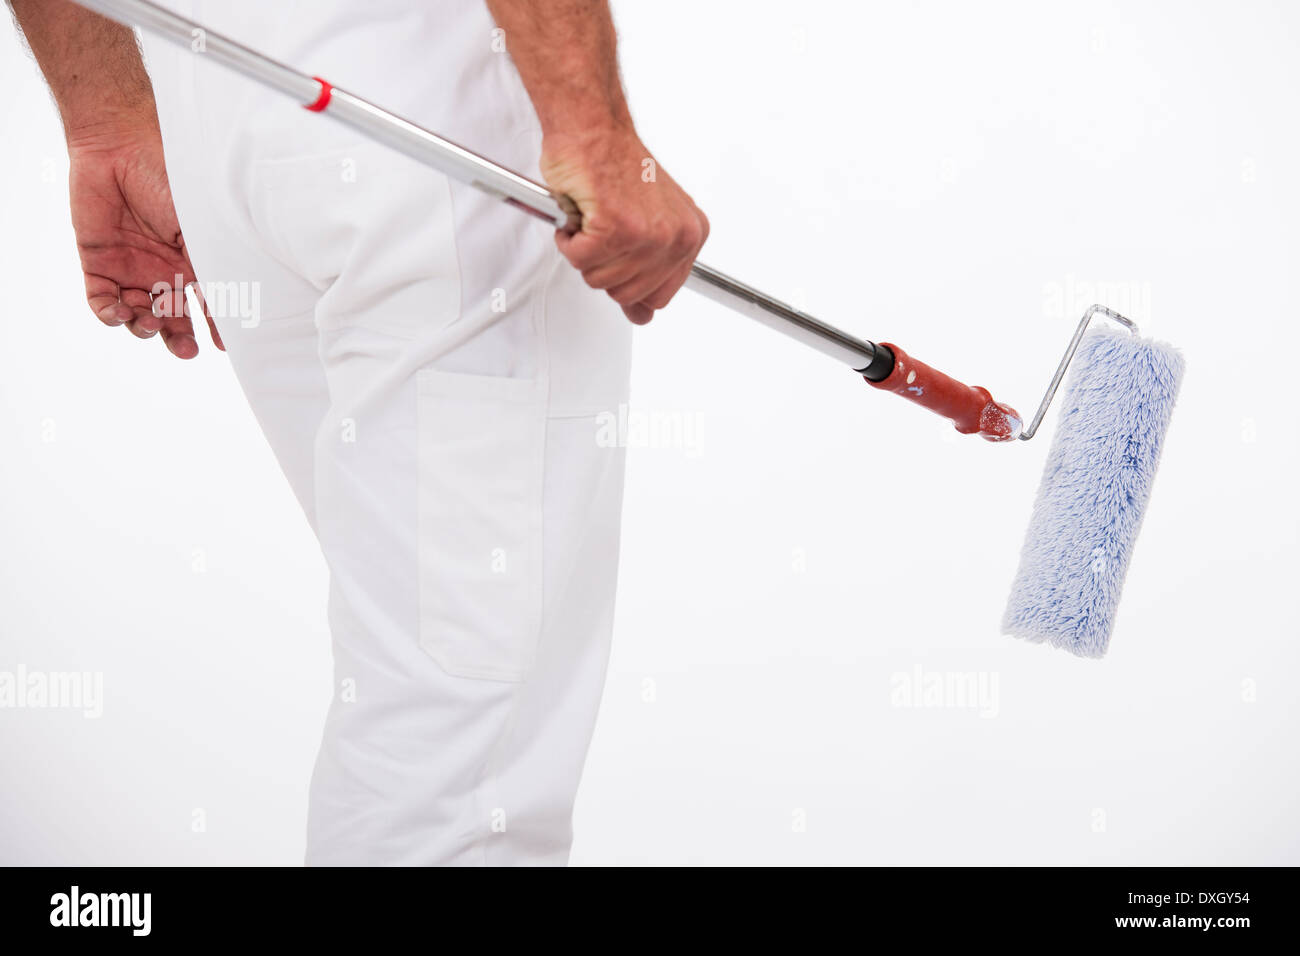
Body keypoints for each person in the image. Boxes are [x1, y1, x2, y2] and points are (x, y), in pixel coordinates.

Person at [8, 0, 709, 865]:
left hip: (231, 118)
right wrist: (591, 128)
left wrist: (107, 119)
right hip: (431, 137)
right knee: (460, 766)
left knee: (430, 687)